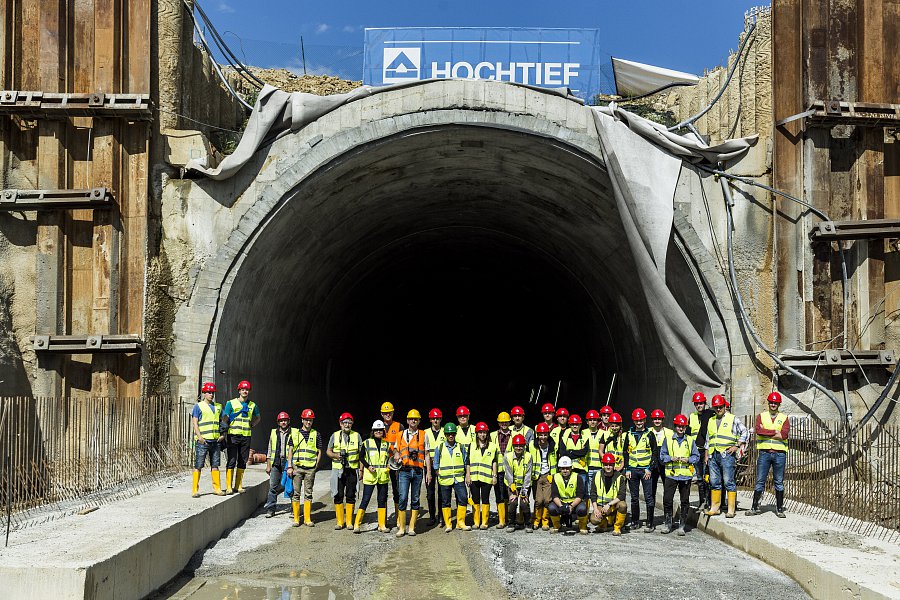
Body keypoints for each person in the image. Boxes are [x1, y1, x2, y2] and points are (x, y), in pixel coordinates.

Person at [705, 395, 748, 518]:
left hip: (727, 454)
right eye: (716, 407)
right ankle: (715, 508)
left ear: (724, 406)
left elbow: (745, 432)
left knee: (728, 481)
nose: (718, 409)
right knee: (714, 481)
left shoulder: (732, 418)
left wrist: (737, 445)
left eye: (720, 407)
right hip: (713, 454)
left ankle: (731, 509)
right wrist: (706, 455)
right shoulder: (711, 420)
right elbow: (708, 439)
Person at [748, 391, 789, 518]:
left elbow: (784, 435)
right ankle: (755, 507)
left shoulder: (784, 418)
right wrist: (775, 432)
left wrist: (766, 432)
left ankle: (779, 509)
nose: (773, 404)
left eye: (775, 403)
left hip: (779, 454)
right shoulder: (761, 416)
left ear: (779, 404)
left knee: (779, 482)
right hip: (764, 453)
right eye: (771, 402)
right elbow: (758, 431)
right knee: (760, 481)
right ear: (768, 403)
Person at [659, 414, 699, 535]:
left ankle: (682, 526)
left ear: (685, 427)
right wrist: (670, 458)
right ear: (675, 426)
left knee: (685, 501)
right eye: (678, 426)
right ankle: (668, 523)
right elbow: (662, 456)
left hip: (685, 475)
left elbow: (696, 456)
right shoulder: (668, 439)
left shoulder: (690, 440)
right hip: (671, 474)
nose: (681, 428)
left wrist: (689, 459)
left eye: (683, 426)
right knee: (667, 499)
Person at [222, 380, 261, 494]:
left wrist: (252, 424)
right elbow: (225, 418)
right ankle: (228, 487)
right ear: (239, 391)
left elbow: (258, 417)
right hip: (233, 435)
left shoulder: (253, 405)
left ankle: (238, 486)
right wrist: (224, 431)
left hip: (246, 436)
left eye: (247, 389)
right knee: (231, 460)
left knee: (243, 460)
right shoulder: (231, 403)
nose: (245, 391)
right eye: (243, 389)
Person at [326, 412, 363, 530]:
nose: (347, 425)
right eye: (344, 422)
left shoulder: (357, 436)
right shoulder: (335, 435)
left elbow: (361, 454)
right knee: (338, 494)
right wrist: (336, 455)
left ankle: (349, 522)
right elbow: (328, 451)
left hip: (352, 470)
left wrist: (361, 469)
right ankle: (340, 522)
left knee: (351, 495)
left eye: (349, 422)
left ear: (352, 424)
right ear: (340, 424)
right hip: (338, 470)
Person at [354, 420, 391, 534]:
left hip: (382, 476)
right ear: (373, 431)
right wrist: (367, 466)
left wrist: (390, 464)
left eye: (380, 430)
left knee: (382, 500)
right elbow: (361, 457)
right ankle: (357, 524)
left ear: (383, 431)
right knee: (366, 499)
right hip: (370, 475)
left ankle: (382, 525)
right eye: (376, 430)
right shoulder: (366, 443)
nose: (378, 432)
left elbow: (390, 457)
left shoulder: (387, 444)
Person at [625, 408, 659, 532]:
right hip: (633, 470)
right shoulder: (629, 434)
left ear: (644, 420)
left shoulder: (649, 434)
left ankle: (650, 523)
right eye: (637, 420)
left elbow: (655, 452)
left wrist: (650, 469)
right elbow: (626, 452)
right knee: (634, 498)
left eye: (641, 420)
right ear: (633, 421)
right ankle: (635, 522)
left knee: (648, 497)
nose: (639, 422)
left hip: (645, 471)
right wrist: (627, 469)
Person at [433, 422, 471, 532]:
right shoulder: (440, 447)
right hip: (445, 479)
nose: (451, 436)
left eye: (453, 434)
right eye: (448, 434)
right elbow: (436, 464)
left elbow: (466, 462)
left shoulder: (461, 447)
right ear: (445, 434)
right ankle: (448, 524)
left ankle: (460, 523)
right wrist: (439, 474)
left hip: (459, 479)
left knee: (463, 498)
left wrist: (467, 475)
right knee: (446, 501)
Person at [394, 409, 426, 536]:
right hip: (404, 471)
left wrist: (428, 472)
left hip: (418, 471)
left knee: (415, 499)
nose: (413, 421)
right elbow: (396, 449)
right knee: (402, 498)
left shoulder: (423, 434)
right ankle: (402, 528)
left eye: (416, 419)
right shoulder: (400, 434)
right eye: (411, 419)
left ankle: (412, 527)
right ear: (407, 420)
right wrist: (396, 454)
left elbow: (427, 454)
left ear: (419, 421)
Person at [191, 382, 225, 497]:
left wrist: (223, 434)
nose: (211, 394)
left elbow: (224, 420)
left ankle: (217, 488)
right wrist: (199, 437)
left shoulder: (218, 407)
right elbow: (195, 422)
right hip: (203, 441)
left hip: (215, 441)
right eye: (209, 392)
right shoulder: (198, 406)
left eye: (212, 392)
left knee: (215, 465)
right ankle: (195, 490)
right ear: (204, 393)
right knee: (198, 465)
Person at [264, 411, 299, 518]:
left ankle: (294, 509)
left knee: (291, 486)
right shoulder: (273, 432)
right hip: (276, 462)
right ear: (278, 422)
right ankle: (271, 509)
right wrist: (268, 464)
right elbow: (270, 449)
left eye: (285, 420)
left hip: (289, 463)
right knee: (272, 487)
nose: (283, 422)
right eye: (281, 421)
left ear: (288, 421)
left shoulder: (295, 432)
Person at [290, 408, 320, 527]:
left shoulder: (316, 434)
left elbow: (319, 451)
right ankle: (296, 519)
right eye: (306, 419)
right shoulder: (295, 434)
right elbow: (290, 450)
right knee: (296, 493)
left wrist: (316, 465)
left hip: (310, 468)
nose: (308, 422)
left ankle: (307, 519)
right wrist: (289, 466)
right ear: (302, 420)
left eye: (310, 420)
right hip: (297, 467)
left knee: (308, 493)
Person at [468, 422, 498, 530]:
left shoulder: (492, 446)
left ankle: (484, 522)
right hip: (474, 477)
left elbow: (494, 462)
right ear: (477, 433)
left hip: (486, 477)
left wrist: (494, 476)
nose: (482, 435)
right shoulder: (471, 445)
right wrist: (468, 475)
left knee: (485, 499)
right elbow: (468, 462)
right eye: (480, 432)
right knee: (475, 499)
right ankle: (476, 522)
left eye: (484, 432)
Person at [589, 453, 628, 535]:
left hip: (613, 505)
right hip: (601, 505)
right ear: (603, 465)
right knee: (594, 519)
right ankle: (604, 525)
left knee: (623, 505)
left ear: (614, 465)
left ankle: (617, 527)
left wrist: (609, 505)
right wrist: (595, 509)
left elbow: (622, 495)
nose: (608, 467)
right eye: (606, 465)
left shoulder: (620, 477)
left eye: (610, 465)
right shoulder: (597, 475)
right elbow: (593, 493)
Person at [688, 392, 715, 509]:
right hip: (696, 451)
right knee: (699, 478)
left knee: (707, 477)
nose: (699, 405)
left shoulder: (710, 415)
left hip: (707, 451)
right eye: (696, 403)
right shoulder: (692, 416)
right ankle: (702, 502)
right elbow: (688, 435)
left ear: (705, 403)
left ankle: (709, 502)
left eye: (701, 403)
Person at [548, 456, 588, 534]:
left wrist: (571, 506)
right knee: (551, 507)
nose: (565, 470)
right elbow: (554, 495)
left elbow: (580, 496)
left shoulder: (577, 477)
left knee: (582, 508)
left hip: (574, 503)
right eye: (563, 468)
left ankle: (582, 527)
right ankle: (557, 526)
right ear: (560, 469)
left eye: (567, 468)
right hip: (561, 502)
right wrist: (561, 506)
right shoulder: (555, 477)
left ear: (571, 468)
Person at [529, 422, 557, 530]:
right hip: (536, 476)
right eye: (541, 435)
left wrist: (553, 475)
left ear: (548, 434)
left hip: (548, 475)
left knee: (547, 500)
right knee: (538, 500)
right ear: (537, 435)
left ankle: (545, 521)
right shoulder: (532, 445)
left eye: (545, 434)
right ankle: (536, 520)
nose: (543, 437)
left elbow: (555, 461)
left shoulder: (553, 445)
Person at [504, 434, 534, 532]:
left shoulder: (528, 456)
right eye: (516, 446)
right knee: (513, 502)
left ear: (524, 446)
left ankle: (528, 524)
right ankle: (511, 524)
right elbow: (508, 473)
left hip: (524, 484)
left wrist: (524, 491)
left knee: (524, 503)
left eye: (521, 446)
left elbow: (528, 474)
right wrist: (512, 488)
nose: (518, 448)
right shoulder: (508, 456)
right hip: (512, 484)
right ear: (513, 446)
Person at [490, 411, 513, 528]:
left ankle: (509, 517)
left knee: (509, 494)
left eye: (506, 422)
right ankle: (501, 520)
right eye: (501, 422)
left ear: (509, 422)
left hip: (510, 470)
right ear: (498, 423)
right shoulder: (492, 435)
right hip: (498, 470)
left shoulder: (514, 435)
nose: (504, 424)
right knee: (499, 494)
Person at [380, 402, 403, 520]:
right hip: (382, 463)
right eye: (385, 413)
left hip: (395, 463)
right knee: (382, 491)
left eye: (389, 412)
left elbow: (404, 444)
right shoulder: (378, 426)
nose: (387, 415)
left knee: (397, 489)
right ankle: (383, 520)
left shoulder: (399, 426)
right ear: (382, 414)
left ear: (393, 413)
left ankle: (398, 518)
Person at [424, 408, 446, 526]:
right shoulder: (425, 432)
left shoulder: (445, 431)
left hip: (442, 465)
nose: (435, 420)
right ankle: (432, 517)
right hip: (428, 466)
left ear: (441, 419)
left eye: (437, 418)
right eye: (433, 418)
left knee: (442, 492)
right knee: (430, 492)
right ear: (430, 420)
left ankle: (441, 517)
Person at [649, 409, 672, 515]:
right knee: (651, 492)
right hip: (652, 464)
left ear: (662, 420)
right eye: (655, 419)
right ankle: (650, 519)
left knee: (667, 492)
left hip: (665, 464)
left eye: (659, 419)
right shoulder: (648, 432)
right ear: (652, 420)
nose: (657, 421)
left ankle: (668, 516)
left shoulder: (669, 432)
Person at [560, 414, 589, 497]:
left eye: (577, 424)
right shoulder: (564, 438)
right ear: (569, 425)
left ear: (580, 425)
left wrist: (570, 451)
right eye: (573, 424)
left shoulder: (585, 438)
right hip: (569, 469)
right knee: (570, 493)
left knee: (582, 494)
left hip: (581, 469)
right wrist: (577, 452)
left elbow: (584, 452)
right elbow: (563, 453)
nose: (575, 426)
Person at [584, 410, 606, 509]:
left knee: (599, 490)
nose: (592, 422)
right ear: (587, 421)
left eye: (594, 420)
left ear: (598, 421)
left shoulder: (603, 433)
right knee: (587, 492)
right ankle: (587, 512)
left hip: (599, 467)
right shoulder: (583, 433)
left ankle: (598, 510)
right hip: (587, 467)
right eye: (590, 420)